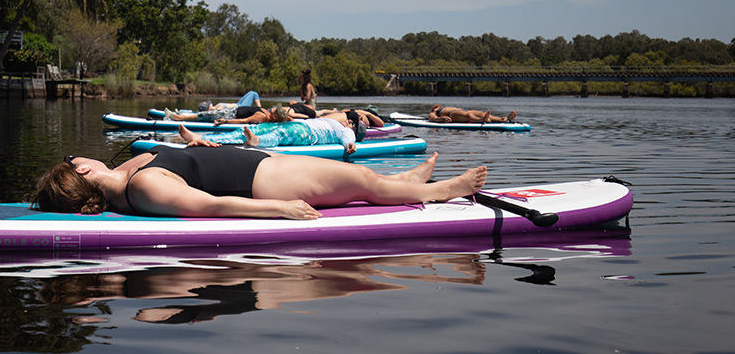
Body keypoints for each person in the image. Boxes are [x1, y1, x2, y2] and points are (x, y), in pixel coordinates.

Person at [30, 145, 488, 220]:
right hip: (263, 183)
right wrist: (279, 209)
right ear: (83, 172)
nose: (80, 154)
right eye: (73, 159)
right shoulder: (141, 189)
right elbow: (206, 206)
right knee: (363, 180)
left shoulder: (127, 172)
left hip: (259, 164)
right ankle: (444, 190)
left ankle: (404, 180)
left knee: (363, 181)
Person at [179, 116, 362, 154]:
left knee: (280, 134)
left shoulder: (345, 130)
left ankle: (257, 142)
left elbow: (348, 138)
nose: (348, 122)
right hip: (297, 124)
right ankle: (202, 139)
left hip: (307, 133)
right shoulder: (333, 121)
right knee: (254, 128)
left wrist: (349, 145)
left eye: (352, 124)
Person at [428, 105, 517, 124]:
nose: (439, 106)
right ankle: (482, 120)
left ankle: (503, 118)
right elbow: (433, 118)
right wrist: (441, 118)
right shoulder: (435, 112)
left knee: (482, 113)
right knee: (468, 115)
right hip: (452, 114)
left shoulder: (443, 108)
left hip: (462, 110)